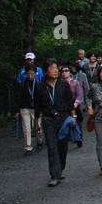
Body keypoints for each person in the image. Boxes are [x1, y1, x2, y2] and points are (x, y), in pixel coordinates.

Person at [33, 58, 75, 186]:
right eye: (52, 68)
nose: (56, 71)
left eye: (56, 68)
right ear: (46, 71)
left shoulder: (63, 84)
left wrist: (73, 117)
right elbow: (37, 105)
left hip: (63, 118)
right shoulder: (40, 86)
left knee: (62, 146)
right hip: (48, 119)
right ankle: (54, 175)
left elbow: (70, 102)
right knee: (51, 147)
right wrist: (36, 121)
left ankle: (60, 168)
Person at [18, 58, 42, 154]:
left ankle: (39, 141)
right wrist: (17, 109)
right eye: (28, 73)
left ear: (35, 73)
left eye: (32, 73)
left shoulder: (39, 84)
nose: (30, 75)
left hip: (36, 108)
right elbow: (19, 96)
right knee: (26, 128)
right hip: (25, 107)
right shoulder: (23, 84)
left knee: (37, 126)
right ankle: (28, 147)